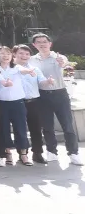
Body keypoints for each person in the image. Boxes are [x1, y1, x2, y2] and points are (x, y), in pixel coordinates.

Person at [30, 34, 83, 165]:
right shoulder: (32, 60)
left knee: (67, 126)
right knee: (47, 126)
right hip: (42, 96)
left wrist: (62, 63)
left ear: (50, 44)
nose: (42, 44)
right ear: (34, 45)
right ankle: (51, 151)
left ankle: (73, 153)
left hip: (60, 94)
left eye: (44, 42)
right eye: (38, 42)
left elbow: (65, 65)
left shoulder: (59, 57)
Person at [0, 46, 32, 166]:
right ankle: (8, 153)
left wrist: (29, 71)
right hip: (1, 103)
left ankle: (23, 154)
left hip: (18, 103)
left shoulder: (16, 67)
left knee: (21, 128)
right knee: (4, 129)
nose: (5, 56)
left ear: (12, 56)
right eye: (2, 53)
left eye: (8, 54)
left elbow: (23, 70)